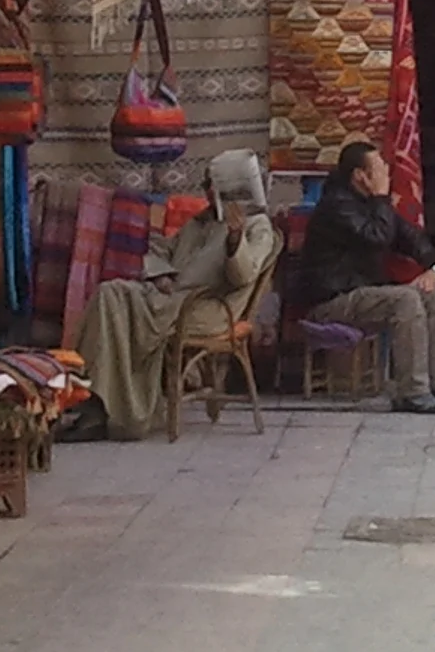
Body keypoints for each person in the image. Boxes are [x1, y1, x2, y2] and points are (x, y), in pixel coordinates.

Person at [60, 151, 279, 442]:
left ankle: (108, 409)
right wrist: (161, 274)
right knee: (109, 294)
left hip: (205, 309)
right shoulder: (201, 220)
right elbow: (162, 248)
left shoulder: (257, 226)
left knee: (113, 300)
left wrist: (235, 239)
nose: (207, 191)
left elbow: (243, 276)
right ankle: (94, 402)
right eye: (206, 184)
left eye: (212, 185)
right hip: (169, 298)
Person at [302, 140, 435, 415]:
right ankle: (412, 391)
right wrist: (382, 197)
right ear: (361, 175)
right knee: (405, 299)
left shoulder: (371, 204)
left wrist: (434, 267)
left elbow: (411, 237)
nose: (386, 171)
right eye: (380, 167)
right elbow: (377, 237)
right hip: (333, 300)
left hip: (366, 295)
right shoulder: (337, 206)